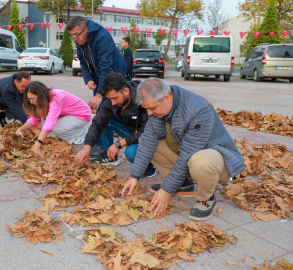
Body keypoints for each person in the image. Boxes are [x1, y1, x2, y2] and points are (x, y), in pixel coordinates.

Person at [121, 78, 245, 221]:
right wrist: (134, 177)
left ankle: (205, 197)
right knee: (148, 143)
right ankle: (183, 185)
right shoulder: (162, 104)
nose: (149, 113)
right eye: (146, 109)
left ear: (166, 98)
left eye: (152, 108)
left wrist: (167, 190)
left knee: (200, 161)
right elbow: (147, 141)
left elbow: (188, 154)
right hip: (191, 155)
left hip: (218, 160)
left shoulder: (197, 109)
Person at [74, 72, 154, 176]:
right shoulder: (111, 99)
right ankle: (110, 156)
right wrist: (86, 147)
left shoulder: (144, 98)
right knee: (103, 117)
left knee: (131, 153)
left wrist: (119, 143)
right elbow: (97, 123)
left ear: (126, 91)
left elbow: (147, 132)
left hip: (149, 136)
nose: (112, 103)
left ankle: (150, 165)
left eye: (115, 98)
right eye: (110, 99)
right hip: (131, 131)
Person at [15, 81, 92, 156]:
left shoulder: (56, 98)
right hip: (66, 115)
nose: (31, 102)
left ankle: (80, 134)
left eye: (33, 99)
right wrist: (20, 129)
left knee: (56, 128)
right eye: (29, 99)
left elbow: (50, 123)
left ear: (40, 96)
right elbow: (34, 119)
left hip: (81, 115)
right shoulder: (43, 99)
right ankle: (74, 130)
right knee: (49, 129)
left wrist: (37, 145)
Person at [66, 16, 126, 110]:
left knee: (113, 111)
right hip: (100, 78)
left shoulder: (102, 37)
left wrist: (99, 94)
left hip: (114, 77)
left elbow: (106, 67)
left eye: (76, 34)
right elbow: (82, 61)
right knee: (99, 110)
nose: (75, 39)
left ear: (86, 28)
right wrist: (88, 78)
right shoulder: (79, 39)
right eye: (72, 35)